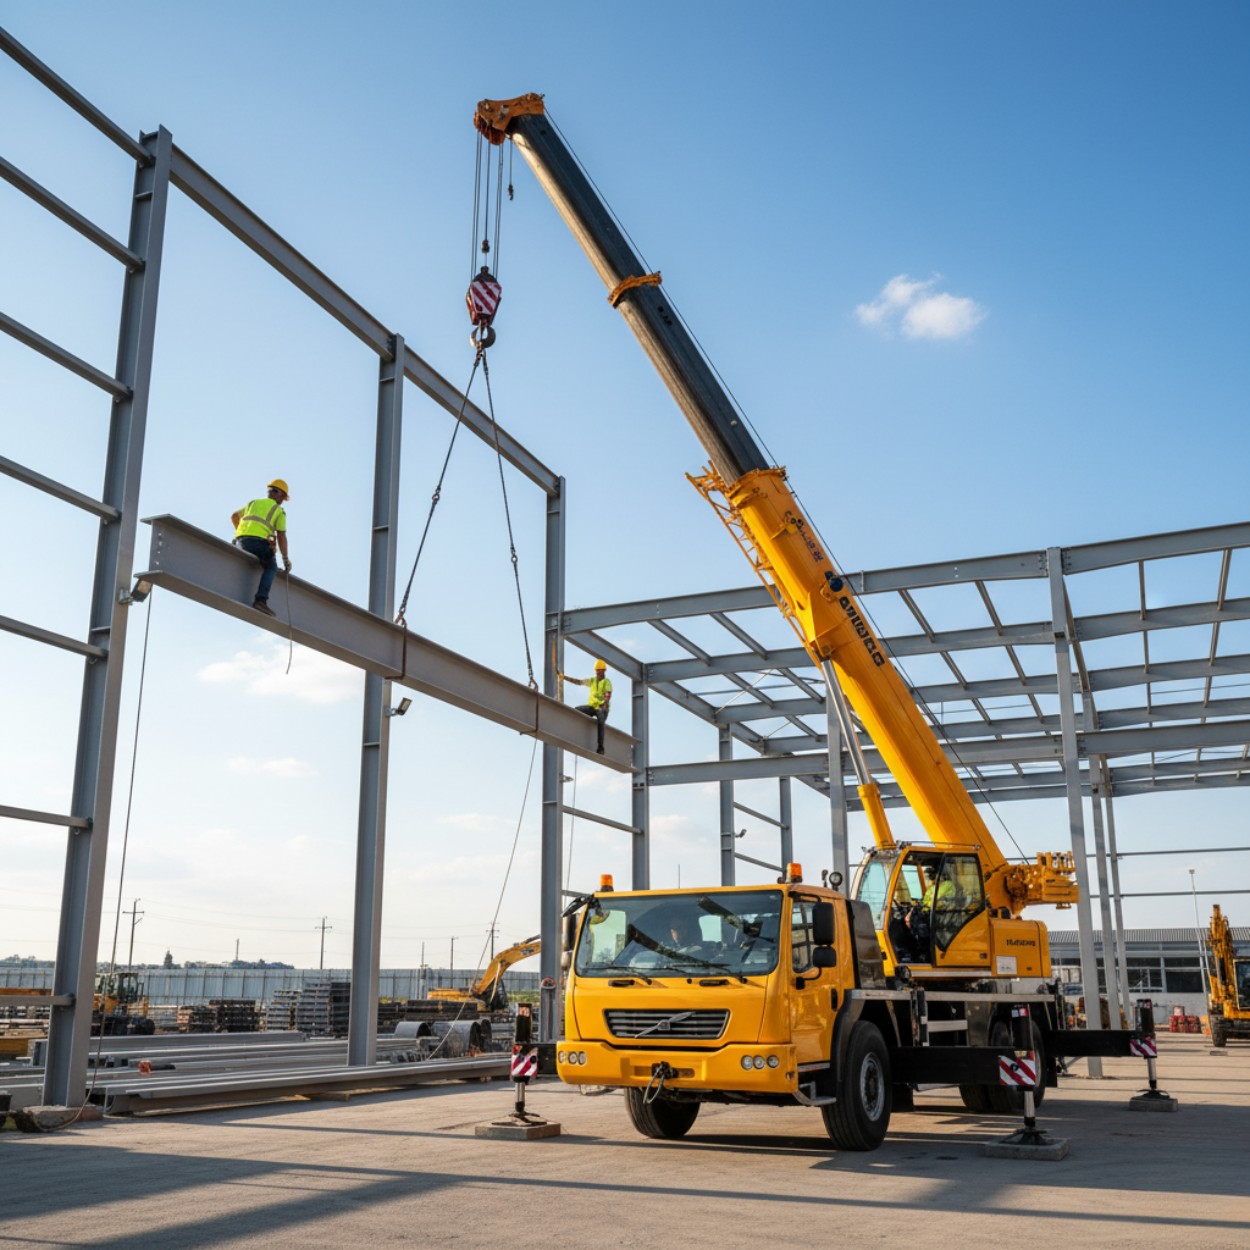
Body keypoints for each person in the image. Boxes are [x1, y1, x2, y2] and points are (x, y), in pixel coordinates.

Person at [231, 479, 291, 617]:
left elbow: (234, 516)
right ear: (279, 494)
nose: (282, 500)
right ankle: (261, 600)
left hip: (241, 542)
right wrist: (285, 559)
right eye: (283, 497)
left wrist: (242, 533)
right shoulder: (279, 511)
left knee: (262, 556)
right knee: (271, 566)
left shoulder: (253, 503)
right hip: (258, 543)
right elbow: (281, 536)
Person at [563, 659, 612, 754]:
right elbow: (579, 682)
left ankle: (600, 747)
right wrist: (564, 677)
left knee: (601, 720)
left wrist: (605, 705)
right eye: (597, 670)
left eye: (600, 670)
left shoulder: (607, 682)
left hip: (602, 707)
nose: (598, 672)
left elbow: (607, 694)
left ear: (604, 671)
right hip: (593, 707)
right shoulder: (592, 681)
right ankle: (577, 737)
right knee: (576, 710)